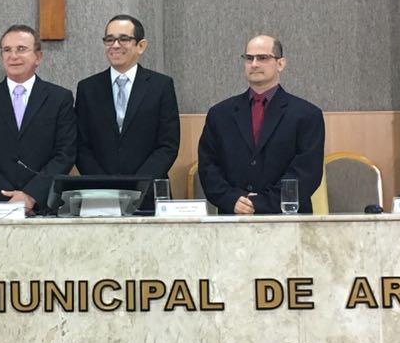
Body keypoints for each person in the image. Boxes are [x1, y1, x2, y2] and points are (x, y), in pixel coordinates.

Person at [198, 35, 324, 214]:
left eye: (263, 58)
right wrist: (231, 199)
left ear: (280, 64)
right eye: (249, 58)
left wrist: (260, 203)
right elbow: (208, 166)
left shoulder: (306, 114)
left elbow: (306, 172)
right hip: (233, 216)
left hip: (286, 219)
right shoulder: (220, 114)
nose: (254, 64)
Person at [74, 14, 180, 210]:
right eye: (109, 39)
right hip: (101, 196)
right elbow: (81, 145)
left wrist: (136, 185)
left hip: (148, 194)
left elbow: (168, 145)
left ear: (141, 45)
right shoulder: (87, 88)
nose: (115, 45)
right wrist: (107, 186)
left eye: (123, 39)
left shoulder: (161, 85)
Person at [0, 24, 76, 215]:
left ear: (38, 57)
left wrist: (31, 195)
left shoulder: (59, 98)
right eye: (7, 50)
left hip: (45, 205)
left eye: (21, 49)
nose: (13, 56)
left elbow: (65, 153)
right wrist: (9, 197)